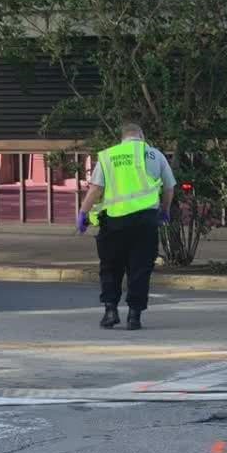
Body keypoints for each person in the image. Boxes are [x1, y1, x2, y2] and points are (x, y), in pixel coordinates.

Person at [75, 122, 176, 330]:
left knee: (110, 268)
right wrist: (164, 211)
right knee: (140, 268)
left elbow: (95, 190)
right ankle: (134, 316)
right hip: (146, 222)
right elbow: (169, 187)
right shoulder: (154, 155)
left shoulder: (108, 156)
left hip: (114, 223)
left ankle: (110, 311)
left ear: (122, 138)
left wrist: (83, 213)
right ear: (142, 136)